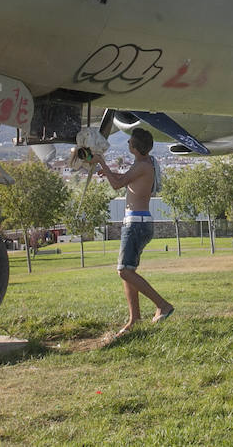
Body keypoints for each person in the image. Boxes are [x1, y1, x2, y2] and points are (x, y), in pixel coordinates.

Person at [91, 127, 174, 336]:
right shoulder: (143, 164)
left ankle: (162, 305)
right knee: (127, 272)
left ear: (135, 147)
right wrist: (109, 172)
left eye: (130, 142)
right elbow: (127, 179)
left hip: (136, 223)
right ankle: (134, 319)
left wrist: (102, 163)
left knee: (124, 271)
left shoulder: (142, 165)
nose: (127, 143)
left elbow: (118, 185)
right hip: (136, 222)